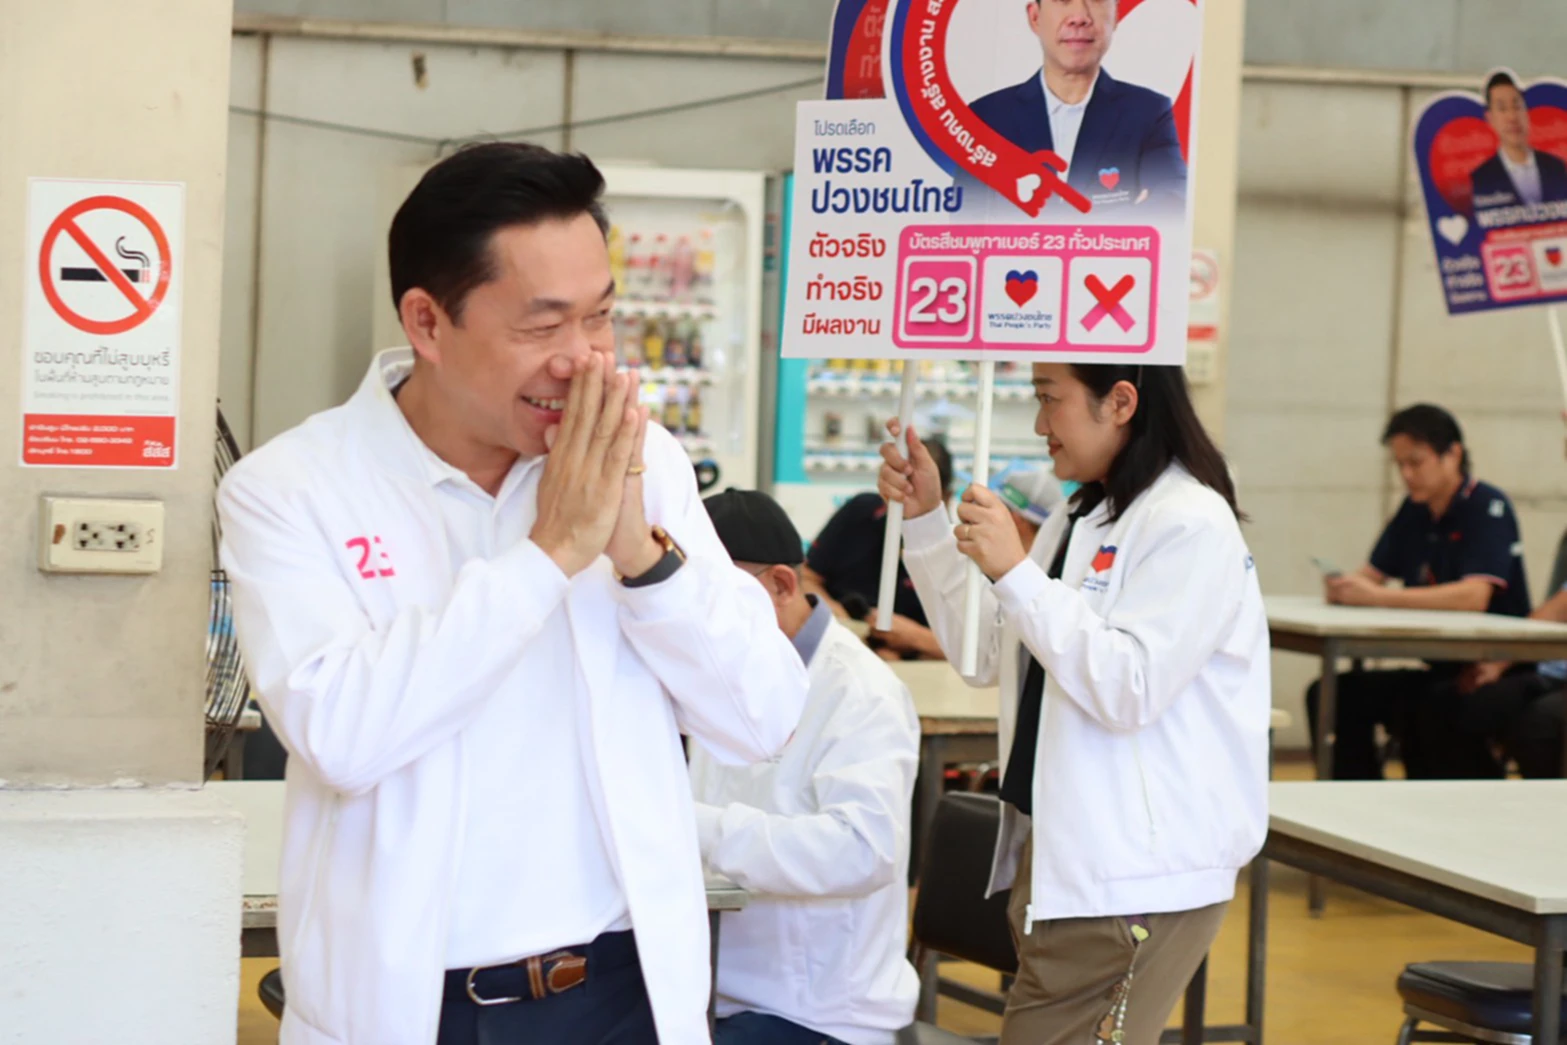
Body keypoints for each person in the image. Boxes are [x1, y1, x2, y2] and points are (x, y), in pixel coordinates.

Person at [217, 142, 809, 1045]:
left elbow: (761, 717)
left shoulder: (642, 463)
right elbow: (341, 734)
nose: (582, 359)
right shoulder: (293, 487)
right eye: (542, 326)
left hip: (621, 993)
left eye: (600, 317)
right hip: (419, 1007)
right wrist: (549, 554)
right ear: (427, 321)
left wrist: (641, 555)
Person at [878, 362, 1269, 1045]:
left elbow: (1128, 685)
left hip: (1132, 877)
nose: (1039, 424)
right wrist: (927, 523)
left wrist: (1015, 572)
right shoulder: (1082, 512)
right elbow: (986, 653)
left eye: (1048, 399)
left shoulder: (1188, 523)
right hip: (1069, 856)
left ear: (1120, 402)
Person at [690, 488, 921, 1045]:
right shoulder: (725, 671)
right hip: (720, 985)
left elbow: (862, 851)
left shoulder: (860, 692)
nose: (697, 624)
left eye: (711, 601)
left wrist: (696, 826)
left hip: (816, 1012)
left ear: (781, 585)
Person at [1306, 404, 1530, 780]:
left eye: (1416, 462)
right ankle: (1357, 801)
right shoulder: (1414, 510)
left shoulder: (1487, 507)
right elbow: (1372, 575)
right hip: (1436, 664)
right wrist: (1345, 587)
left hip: (1493, 667)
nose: (1407, 475)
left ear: (1452, 454)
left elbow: (1473, 597)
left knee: (1431, 708)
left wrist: (1374, 597)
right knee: (1332, 695)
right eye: (1400, 465)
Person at [966, 0, 1186, 213]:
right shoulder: (986, 118)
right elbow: (967, 221)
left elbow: (1170, 203)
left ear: (1115, 15)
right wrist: (1126, 215)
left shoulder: (1149, 113)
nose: (1079, 17)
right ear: (1035, 17)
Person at [803, 436, 954, 660]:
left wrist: (915, 637)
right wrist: (836, 619)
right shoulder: (859, 513)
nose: (904, 503)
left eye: (915, 492)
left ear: (946, 497)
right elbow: (805, 579)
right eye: (897, 488)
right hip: (842, 654)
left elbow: (979, 648)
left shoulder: (957, 552)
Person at [1469, 71, 1567, 212]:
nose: (1512, 117)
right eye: (1502, 109)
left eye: (1517, 106)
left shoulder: (1555, 167)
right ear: (1490, 118)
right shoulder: (1481, 178)